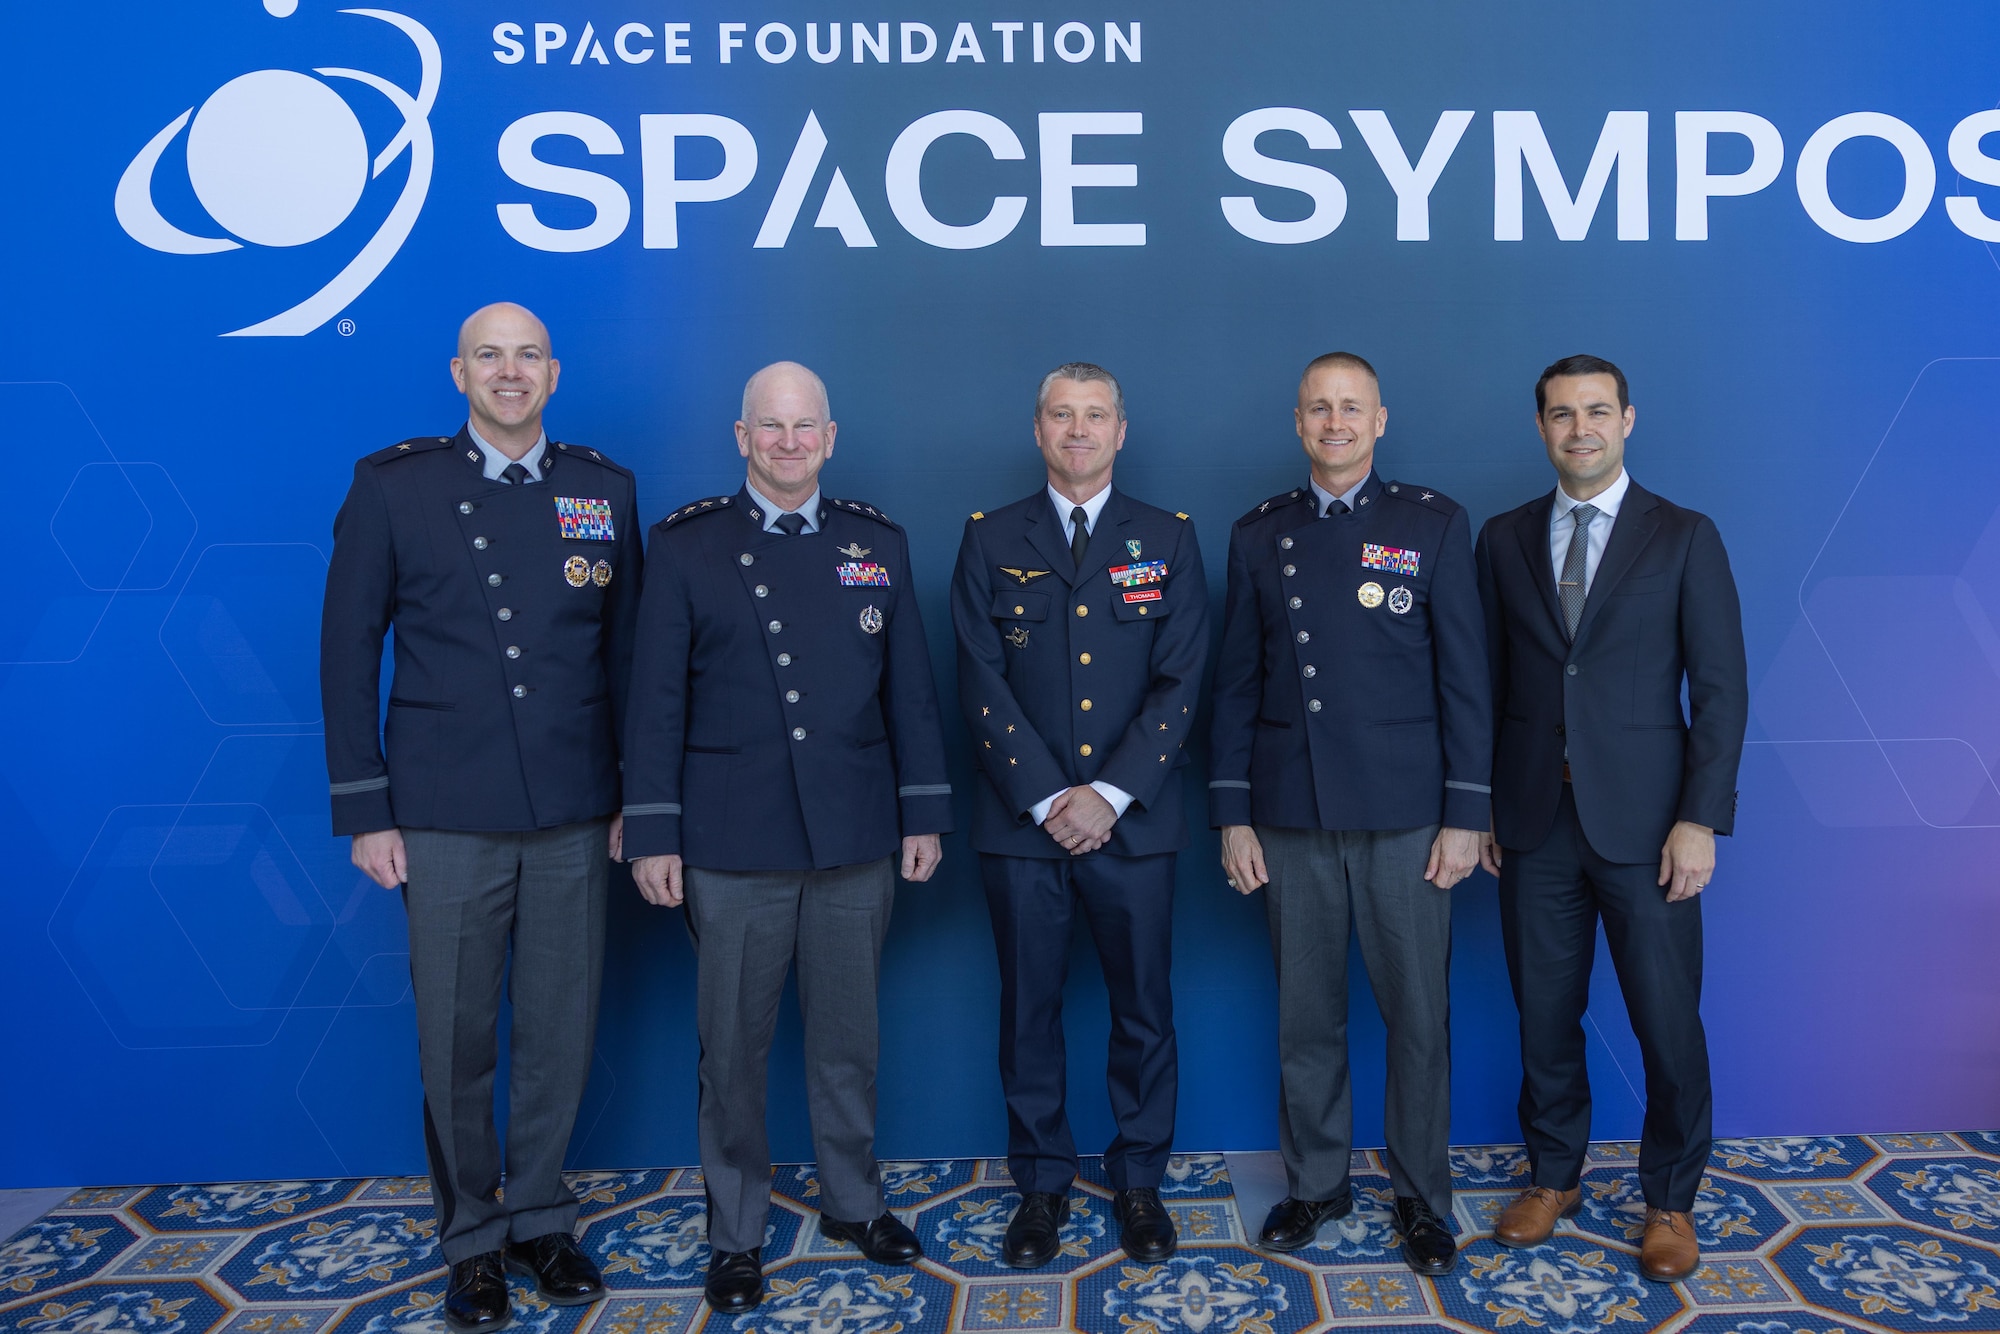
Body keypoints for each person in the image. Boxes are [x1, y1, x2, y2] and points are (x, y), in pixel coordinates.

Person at [320, 303, 639, 1330]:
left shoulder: (603, 486)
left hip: (572, 809)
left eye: (529, 355)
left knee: (558, 1029)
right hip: (444, 811)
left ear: (556, 371)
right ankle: (471, 1238)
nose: (511, 372)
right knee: (453, 1036)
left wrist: (637, 798)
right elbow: (344, 651)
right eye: (491, 356)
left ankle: (541, 1213)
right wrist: (365, 808)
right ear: (459, 370)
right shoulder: (394, 485)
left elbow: (628, 661)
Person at [622, 361, 953, 1314]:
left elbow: (911, 694)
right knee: (731, 1050)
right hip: (732, 844)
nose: (789, 443)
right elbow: (654, 705)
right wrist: (654, 833)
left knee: (848, 1040)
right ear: (742, 438)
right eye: (770, 427)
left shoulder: (875, 541)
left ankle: (853, 1200)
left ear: (831, 437)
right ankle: (735, 1230)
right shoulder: (687, 548)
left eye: (804, 427)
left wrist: (922, 812)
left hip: (855, 835)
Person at [1208, 351, 1489, 1276]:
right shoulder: (1260, 534)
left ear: (1379, 420)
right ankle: (1317, 1183)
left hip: (1409, 818)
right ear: (1298, 423)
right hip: (1292, 813)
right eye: (1319, 408)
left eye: (1352, 408)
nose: (1335, 422)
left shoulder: (1432, 523)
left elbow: (1465, 682)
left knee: (1418, 1017)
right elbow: (1236, 685)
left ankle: (1421, 1198)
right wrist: (1233, 815)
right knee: (1306, 1017)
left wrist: (1465, 813)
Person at [1475, 354, 1747, 1283]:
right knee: (1543, 1019)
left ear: (1628, 418)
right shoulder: (1504, 539)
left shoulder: (1684, 536)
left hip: (1650, 831)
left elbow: (1719, 691)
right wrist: (1479, 812)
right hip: (1533, 823)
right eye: (1561, 414)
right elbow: (1485, 689)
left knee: (1667, 1025)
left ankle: (1670, 1200)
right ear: (1541, 428)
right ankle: (1555, 1178)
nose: (1579, 429)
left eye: (1597, 411)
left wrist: (1700, 819)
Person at [950, 363, 1209, 1269]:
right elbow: (979, 681)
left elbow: (1182, 683)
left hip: (1133, 827)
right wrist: (1054, 797)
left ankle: (1139, 1182)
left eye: (1095, 416)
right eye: (1062, 416)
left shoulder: (1167, 538)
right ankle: (1043, 1188)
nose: (1078, 431)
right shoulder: (990, 539)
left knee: (1143, 1010)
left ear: (1121, 431)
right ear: (1038, 430)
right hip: (1023, 827)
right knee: (1029, 1010)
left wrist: (1107, 795)